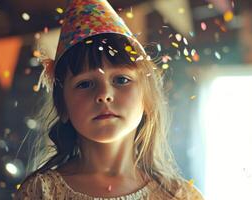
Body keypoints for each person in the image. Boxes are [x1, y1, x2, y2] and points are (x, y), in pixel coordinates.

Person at [15, 0, 204, 199]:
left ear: (147, 99)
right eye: (85, 84)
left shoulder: (180, 195)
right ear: (63, 106)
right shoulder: (41, 191)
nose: (104, 94)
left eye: (121, 80)